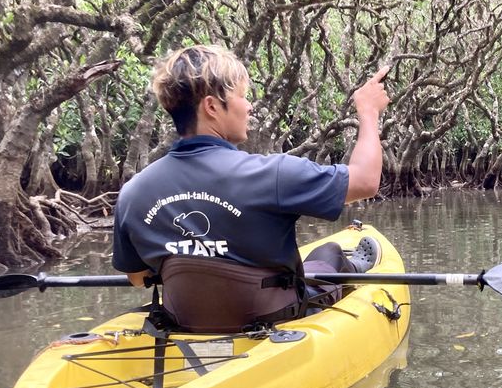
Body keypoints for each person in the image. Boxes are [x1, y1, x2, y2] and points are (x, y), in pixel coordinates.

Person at [112, 44, 390, 331]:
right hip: (274, 317)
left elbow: (137, 277)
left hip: (185, 322)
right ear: (211, 106)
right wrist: (368, 113)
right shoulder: (274, 174)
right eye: (242, 97)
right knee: (330, 254)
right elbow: (366, 181)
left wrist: (196, 251)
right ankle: (353, 269)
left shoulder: (133, 192)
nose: (249, 106)